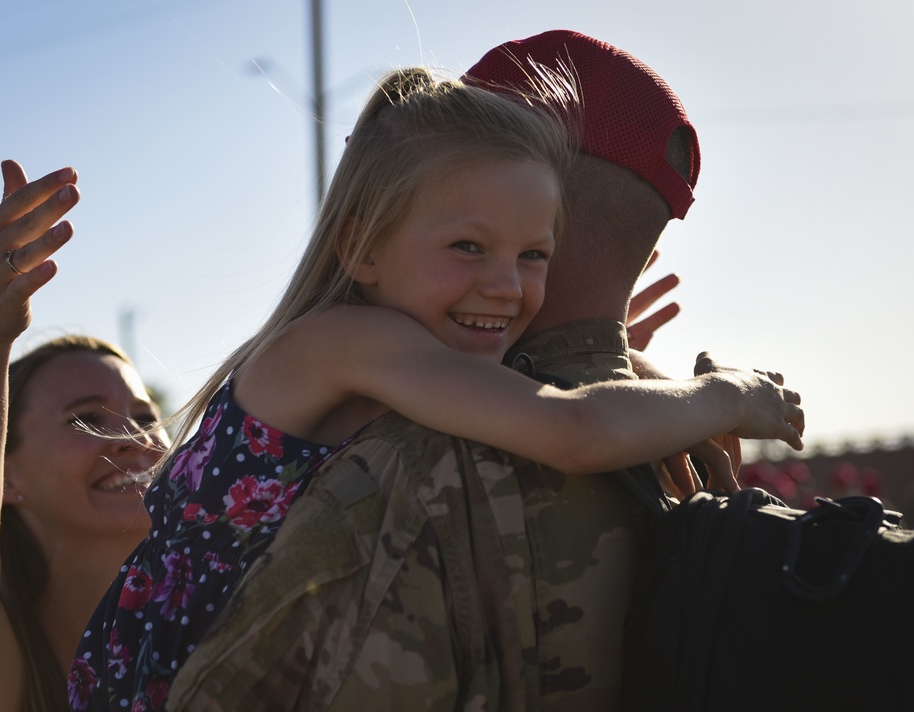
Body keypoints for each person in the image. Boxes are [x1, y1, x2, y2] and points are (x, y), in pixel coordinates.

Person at [165, 31, 782, 712]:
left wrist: (652, 381)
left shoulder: (402, 391)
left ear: (554, 228)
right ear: (365, 242)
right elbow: (572, 424)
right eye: (467, 245)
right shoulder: (353, 346)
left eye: (531, 255)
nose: (505, 286)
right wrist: (726, 395)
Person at [0, 161, 165, 712]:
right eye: (89, 419)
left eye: (147, 417)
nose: (134, 438)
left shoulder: (224, 607)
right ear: (4, 476)